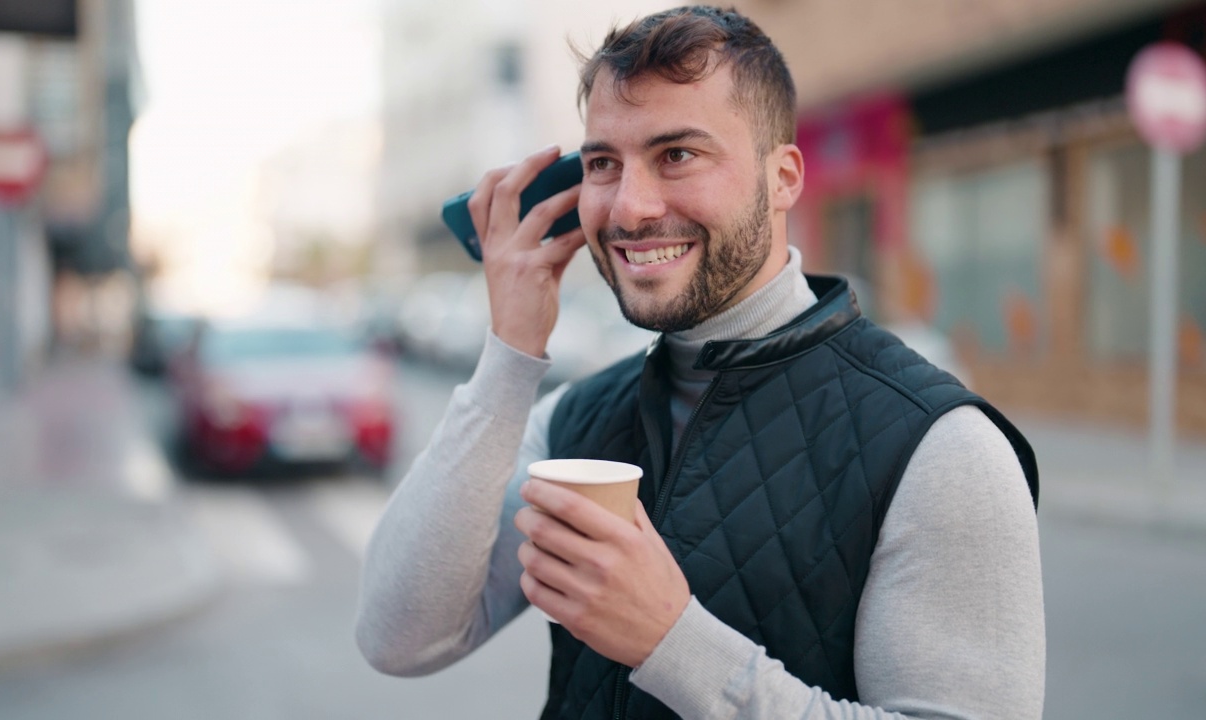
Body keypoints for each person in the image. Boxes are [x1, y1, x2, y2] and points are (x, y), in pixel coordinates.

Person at [356, 5, 1045, 719]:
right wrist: (509, 357)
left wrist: (671, 642)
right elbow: (398, 638)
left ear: (782, 178)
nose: (630, 207)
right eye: (602, 164)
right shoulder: (572, 417)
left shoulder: (941, 445)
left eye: (677, 155)